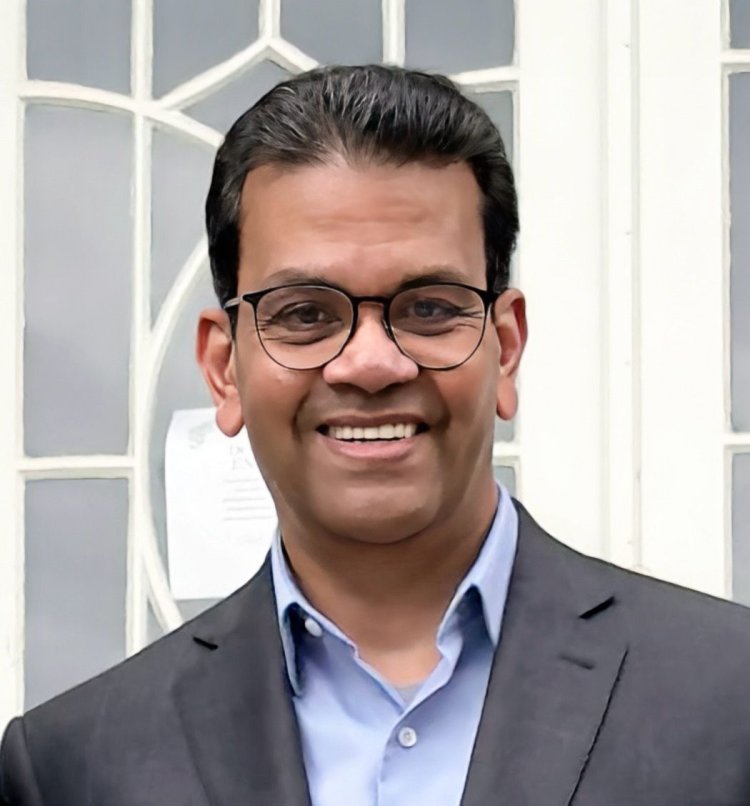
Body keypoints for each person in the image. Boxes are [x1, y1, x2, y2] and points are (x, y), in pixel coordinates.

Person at [2, 63, 750, 806]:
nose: (370, 364)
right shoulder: (72, 770)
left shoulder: (728, 699)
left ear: (506, 348)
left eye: (429, 308)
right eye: (304, 314)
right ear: (224, 368)